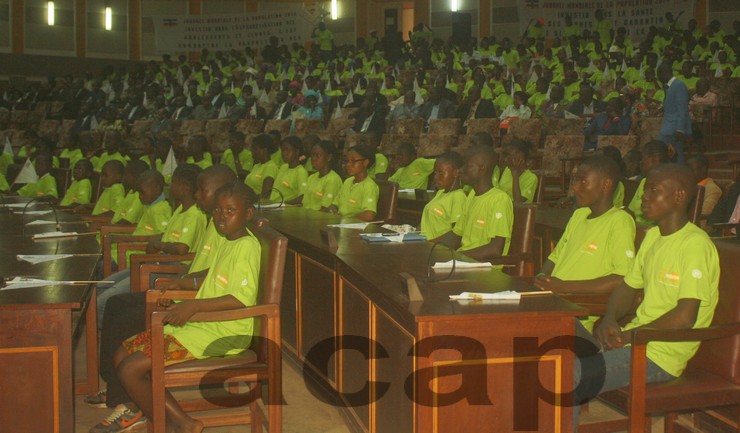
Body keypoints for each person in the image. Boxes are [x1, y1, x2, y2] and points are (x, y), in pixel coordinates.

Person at [574, 163, 720, 425]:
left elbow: (685, 317)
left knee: (568, 375)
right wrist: (609, 319)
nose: (644, 196)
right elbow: (628, 288)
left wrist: (630, 335)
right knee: (553, 336)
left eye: (654, 190)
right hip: (634, 341)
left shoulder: (695, 245)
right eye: (645, 190)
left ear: (679, 196)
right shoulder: (653, 237)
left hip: (659, 355)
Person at [86, 165, 237, 417]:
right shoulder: (215, 223)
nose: (198, 195)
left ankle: (127, 399)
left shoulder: (227, 229)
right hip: (184, 289)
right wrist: (181, 280)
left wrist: (181, 284)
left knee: (125, 318)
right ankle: (118, 388)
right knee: (116, 305)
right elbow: (202, 268)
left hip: (194, 301)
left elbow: (217, 277)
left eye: (203, 190)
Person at [110, 182, 262, 433]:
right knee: (121, 354)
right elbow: (213, 277)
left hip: (224, 332)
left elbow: (240, 299)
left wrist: (191, 306)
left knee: (130, 369)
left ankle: (165, 424)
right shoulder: (228, 240)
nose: (221, 216)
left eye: (230, 211)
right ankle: (182, 421)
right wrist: (183, 283)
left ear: (247, 214)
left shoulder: (246, 246)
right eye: (218, 211)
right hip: (203, 324)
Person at [535, 156, 636, 333]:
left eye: (583, 181)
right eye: (575, 180)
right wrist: (543, 276)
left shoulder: (619, 221)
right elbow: (554, 257)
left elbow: (621, 278)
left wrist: (562, 287)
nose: (574, 187)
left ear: (606, 185)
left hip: (574, 312)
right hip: (551, 302)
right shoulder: (579, 215)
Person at [99, 170, 174, 317]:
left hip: (137, 255)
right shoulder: (151, 207)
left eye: (142, 191)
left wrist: (140, 242)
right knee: (99, 285)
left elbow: (161, 236)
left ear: (157, 189)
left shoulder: (160, 209)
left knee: (100, 273)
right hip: (131, 253)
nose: (139, 196)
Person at [435, 145, 514, 262]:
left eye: (467, 165)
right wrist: (434, 251)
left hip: (483, 269)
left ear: (482, 168)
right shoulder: (472, 195)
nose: (461, 170)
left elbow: (495, 250)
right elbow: (456, 234)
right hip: (464, 261)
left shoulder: (499, 200)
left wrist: (457, 256)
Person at [420, 151, 466, 241]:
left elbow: (456, 236)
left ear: (456, 173)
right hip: (425, 243)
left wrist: (427, 244)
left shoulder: (458, 197)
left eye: (441, 173)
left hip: (438, 249)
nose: (436, 177)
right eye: (435, 173)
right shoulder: (441, 193)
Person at [328, 143, 379, 221]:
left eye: (353, 161)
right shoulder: (348, 181)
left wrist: (346, 220)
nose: (348, 165)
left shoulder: (369, 186)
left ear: (365, 162)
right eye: (347, 161)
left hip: (354, 227)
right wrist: (332, 209)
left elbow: (369, 215)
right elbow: (335, 204)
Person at [657, 62, 691, 163]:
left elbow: (682, 109)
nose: (658, 78)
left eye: (659, 75)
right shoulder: (669, 87)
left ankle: (679, 174)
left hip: (674, 128)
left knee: (674, 153)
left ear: (664, 73)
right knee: (671, 153)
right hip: (669, 127)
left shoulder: (678, 85)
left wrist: (680, 129)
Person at [303, 140, 343, 212]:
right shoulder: (312, 177)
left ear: (329, 157)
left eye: (317, 156)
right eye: (312, 155)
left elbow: (325, 209)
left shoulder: (332, 180)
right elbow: (305, 203)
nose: (313, 159)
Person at [271, 136, 308, 204]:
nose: (284, 153)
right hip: (273, 205)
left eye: (287, 150)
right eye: (282, 150)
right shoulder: (283, 167)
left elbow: (303, 197)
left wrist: (284, 204)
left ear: (297, 151)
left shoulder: (300, 172)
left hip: (285, 209)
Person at [244, 134, 278, 199]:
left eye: (255, 148)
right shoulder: (256, 166)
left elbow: (265, 195)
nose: (252, 151)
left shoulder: (270, 167)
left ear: (264, 150)